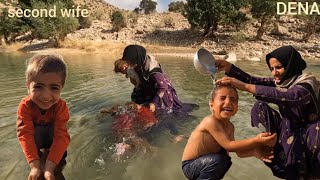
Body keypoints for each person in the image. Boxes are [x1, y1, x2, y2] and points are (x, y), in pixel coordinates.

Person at [215, 45, 320, 179]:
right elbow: (254, 80)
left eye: (279, 67)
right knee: (260, 106)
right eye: (272, 69)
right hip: (290, 131)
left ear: (290, 65)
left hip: (311, 137)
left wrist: (245, 87)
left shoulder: (306, 84)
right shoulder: (283, 81)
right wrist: (229, 67)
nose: (274, 73)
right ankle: (273, 144)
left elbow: (290, 96)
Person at [182, 85, 277, 180]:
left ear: (237, 108)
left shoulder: (230, 127)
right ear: (211, 104)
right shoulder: (210, 121)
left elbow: (237, 152)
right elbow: (229, 145)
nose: (228, 102)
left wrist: (254, 152)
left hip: (208, 162)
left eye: (233, 99)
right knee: (220, 160)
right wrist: (256, 140)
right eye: (222, 98)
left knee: (225, 158)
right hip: (191, 165)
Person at [16, 54, 70, 180]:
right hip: (36, 140)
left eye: (54, 88)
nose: (46, 96)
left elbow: (61, 136)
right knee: (37, 173)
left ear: (62, 88)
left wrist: (50, 168)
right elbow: (25, 134)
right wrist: (34, 166)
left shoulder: (60, 106)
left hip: (53, 139)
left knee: (57, 170)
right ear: (28, 86)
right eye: (38, 87)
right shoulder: (25, 106)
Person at [120, 44, 182, 113]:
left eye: (131, 63)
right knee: (135, 108)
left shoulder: (153, 69)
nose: (129, 65)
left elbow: (163, 87)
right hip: (148, 88)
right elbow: (135, 80)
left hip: (161, 90)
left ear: (137, 59)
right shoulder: (138, 64)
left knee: (163, 113)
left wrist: (154, 103)